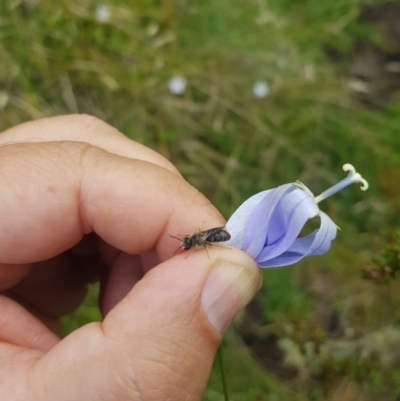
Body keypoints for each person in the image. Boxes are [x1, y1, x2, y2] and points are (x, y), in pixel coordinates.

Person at [0, 114, 261, 400]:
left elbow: (209, 239)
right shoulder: (194, 239)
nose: (188, 244)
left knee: (213, 242)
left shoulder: (202, 240)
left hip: (218, 238)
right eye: (188, 244)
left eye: (188, 243)